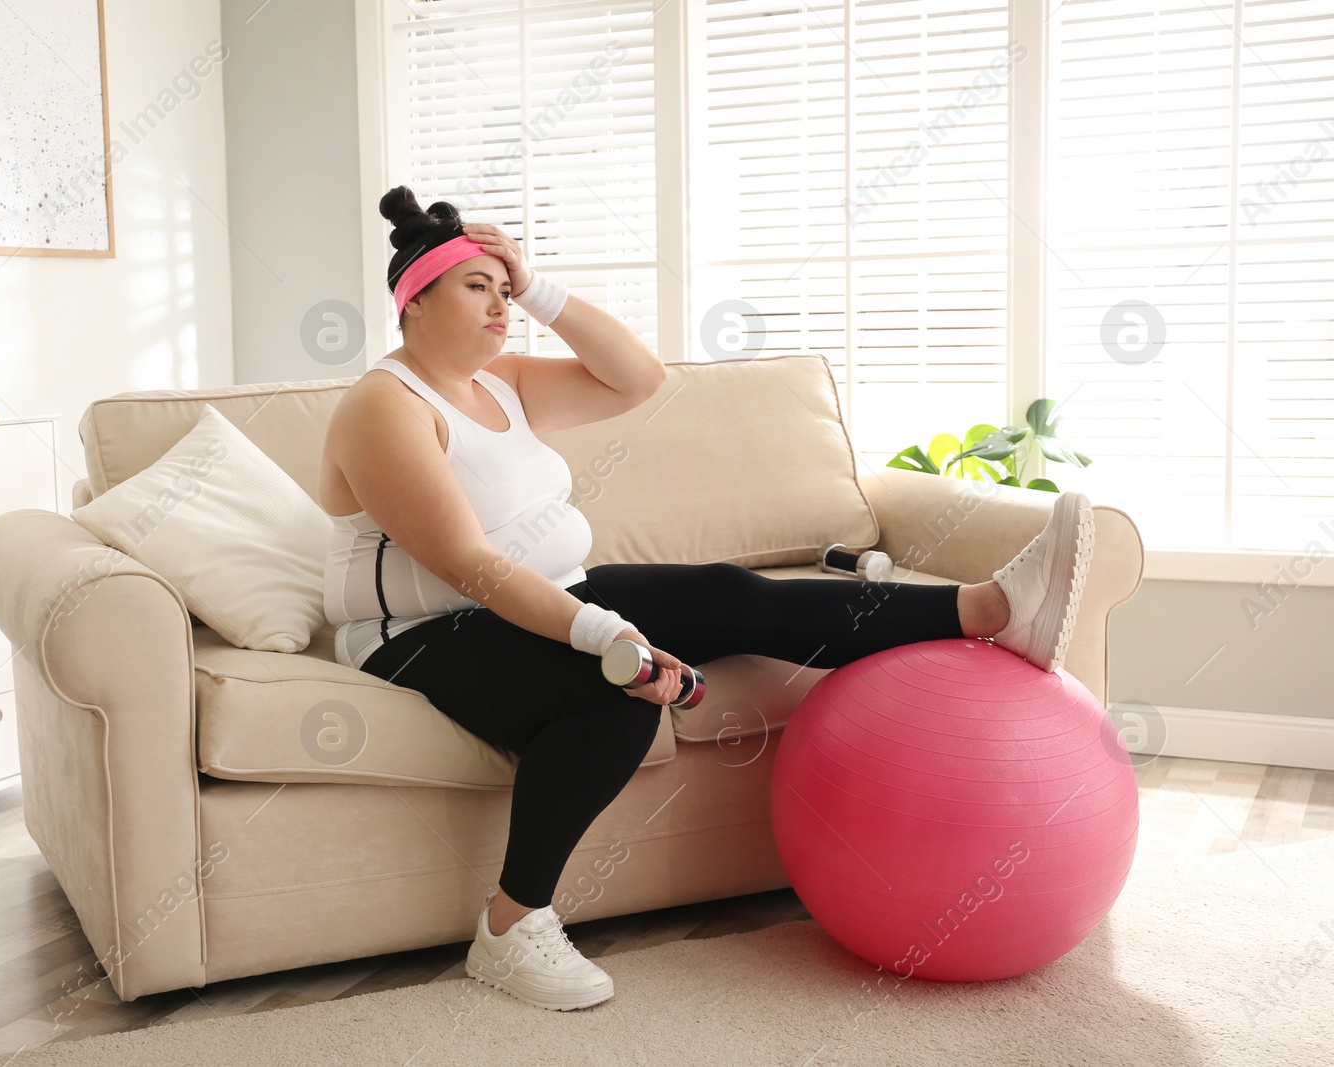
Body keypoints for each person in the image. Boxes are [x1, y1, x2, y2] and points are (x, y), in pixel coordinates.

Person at [318, 186, 1095, 1013]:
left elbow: (635, 379)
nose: (502, 306)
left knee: (729, 593)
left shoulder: (501, 382)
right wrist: (609, 635)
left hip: (547, 593)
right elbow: (470, 567)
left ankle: (986, 611)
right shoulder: (384, 405)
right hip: (425, 632)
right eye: (480, 287)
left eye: (506, 291)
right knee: (618, 697)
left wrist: (536, 282)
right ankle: (510, 929)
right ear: (416, 299)